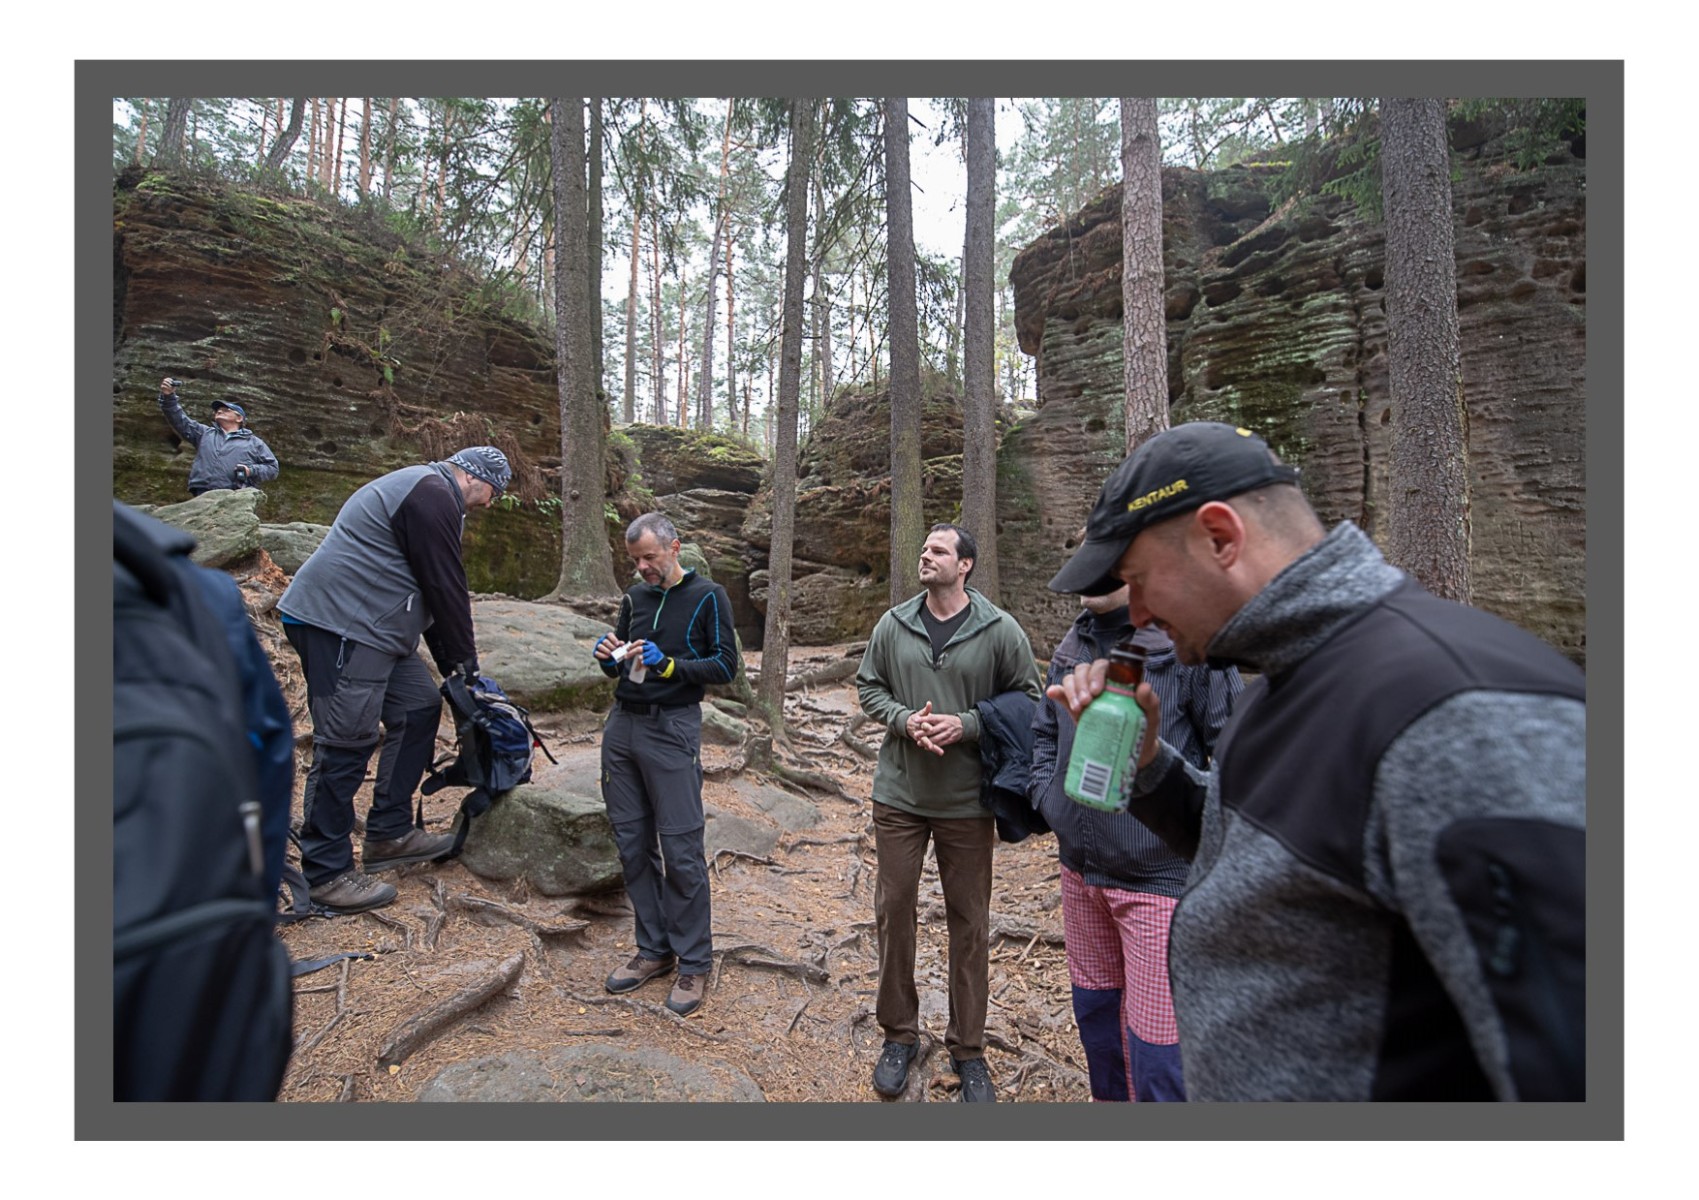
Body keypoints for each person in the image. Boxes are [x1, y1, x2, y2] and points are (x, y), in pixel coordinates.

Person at [1045, 421, 1586, 1101]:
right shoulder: (1287, 680)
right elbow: (1255, 849)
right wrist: (1148, 761)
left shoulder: (1463, 713)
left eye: (1140, 581)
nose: (1141, 614)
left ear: (1221, 538)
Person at [276, 446, 511, 915]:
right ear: (473, 476)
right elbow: (445, 585)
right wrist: (466, 662)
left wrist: (457, 669)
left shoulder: (432, 495)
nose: (490, 503)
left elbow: (429, 588)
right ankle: (325, 873)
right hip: (340, 623)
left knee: (419, 706)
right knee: (346, 740)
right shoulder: (430, 493)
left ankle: (389, 833)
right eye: (494, 492)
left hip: (376, 629)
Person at [1030, 588, 1241, 1102]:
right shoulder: (1074, 642)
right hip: (1081, 875)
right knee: (1098, 1024)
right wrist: (1049, 800)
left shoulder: (1186, 641)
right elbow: (1044, 734)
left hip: (1159, 884)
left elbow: (1239, 762)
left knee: (1157, 1055)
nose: (1092, 564)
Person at [856, 523, 1042, 1102]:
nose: (926, 555)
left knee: (970, 920)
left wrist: (967, 724)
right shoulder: (894, 624)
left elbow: (1029, 700)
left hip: (966, 801)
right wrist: (903, 719)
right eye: (923, 549)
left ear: (965, 565)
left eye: (938, 550)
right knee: (894, 910)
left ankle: (968, 1049)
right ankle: (899, 1035)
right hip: (900, 796)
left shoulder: (999, 629)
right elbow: (868, 687)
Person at [593, 513, 740, 1018]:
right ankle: (653, 949)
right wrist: (609, 657)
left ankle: (694, 962)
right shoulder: (634, 598)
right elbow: (624, 663)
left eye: (649, 558)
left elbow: (725, 665)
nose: (642, 568)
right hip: (623, 726)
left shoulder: (708, 596)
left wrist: (670, 664)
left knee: (680, 848)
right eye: (635, 560)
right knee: (632, 842)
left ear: (675, 548)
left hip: (672, 727)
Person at [158, 377, 280, 496]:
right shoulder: (205, 433)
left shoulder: (254, 443)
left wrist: (251, 470)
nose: (219, 411)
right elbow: (179, 420)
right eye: (217, 411)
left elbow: (272, 468)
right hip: (202, 492)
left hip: (235, 495)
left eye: (226, 410)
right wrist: (168, 397)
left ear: (239, 418)